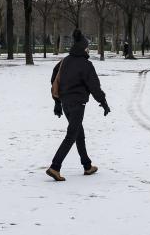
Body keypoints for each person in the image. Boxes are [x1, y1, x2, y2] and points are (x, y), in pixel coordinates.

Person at [46, 29, 110, 182]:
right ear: (83, 48)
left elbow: (54, 80)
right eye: (87, 47)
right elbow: (94, 86)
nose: (88, 49)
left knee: (78, 133)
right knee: (72, 135)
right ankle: (55, 167)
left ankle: (87, 166)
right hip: (77, 104)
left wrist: (57, 103)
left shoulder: (64, 61)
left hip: (66, 103)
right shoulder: (86, 65)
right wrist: (103, 102)